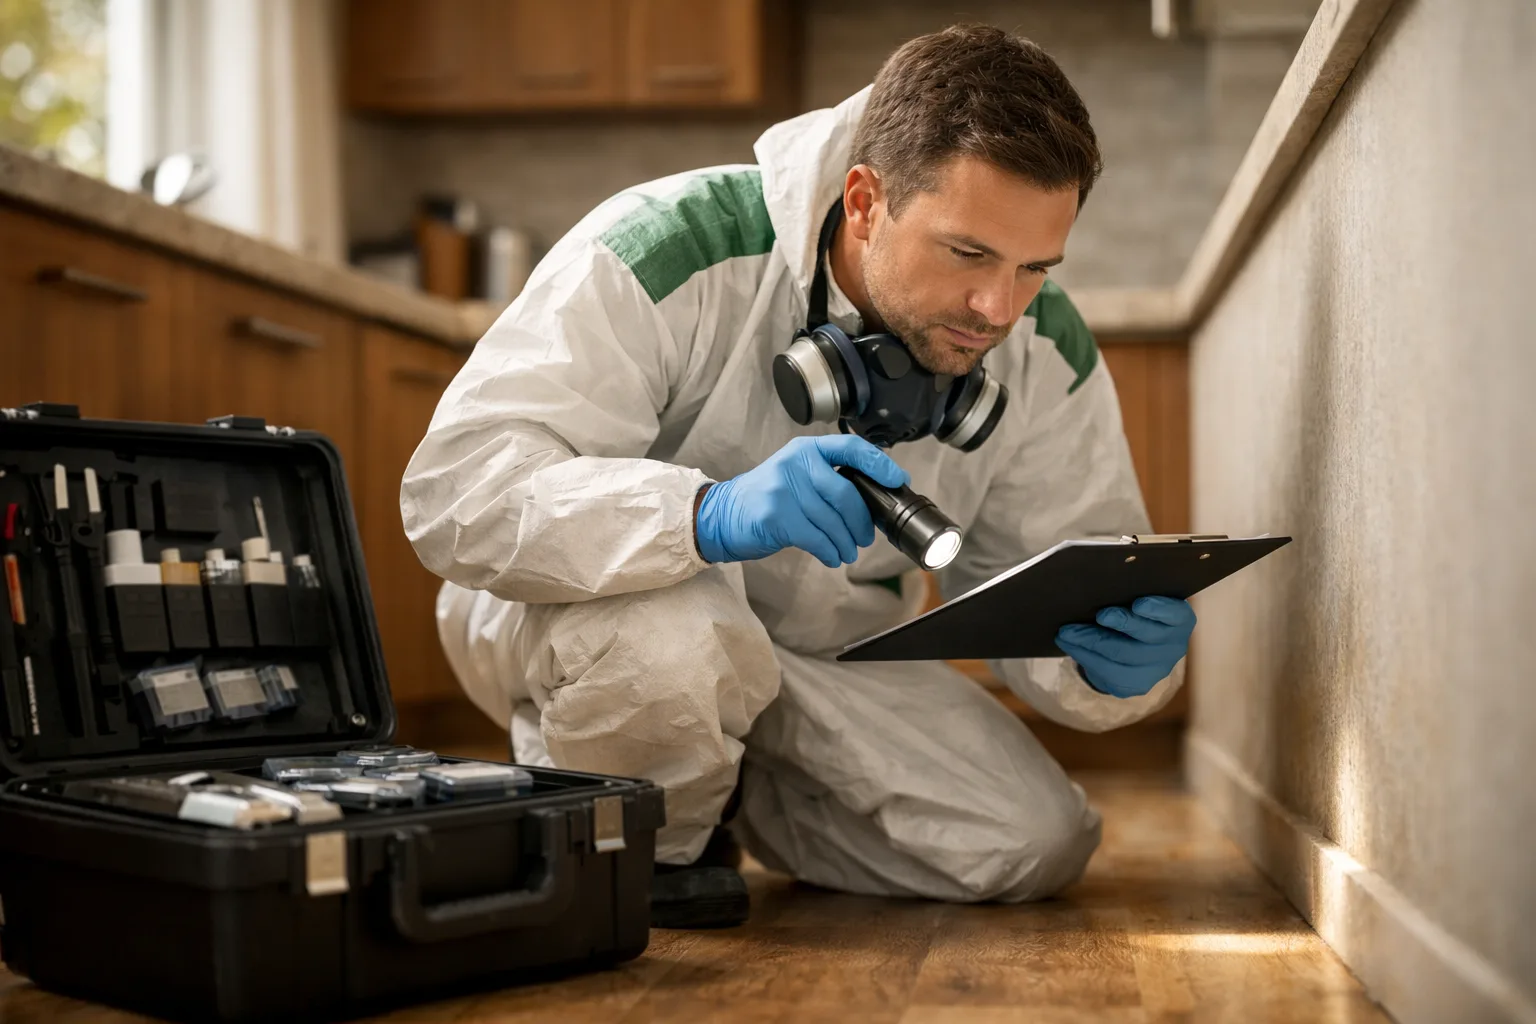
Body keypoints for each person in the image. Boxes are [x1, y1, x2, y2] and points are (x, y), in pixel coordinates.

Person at [401, 25, 1195, 929]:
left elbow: (1050, 579)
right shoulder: (669, 249)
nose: (999, 310)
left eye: (1034, 268)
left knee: (1030, 842)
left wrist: (1114, 663)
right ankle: (656, 849)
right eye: (969, 254)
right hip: (599, 611)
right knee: (671, 643)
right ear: (864, 201)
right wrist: (704, 513)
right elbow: (454, 492)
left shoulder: (1042, 346)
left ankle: (715, 781)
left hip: (820, 660)